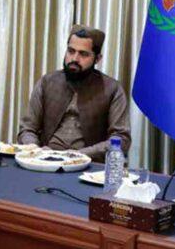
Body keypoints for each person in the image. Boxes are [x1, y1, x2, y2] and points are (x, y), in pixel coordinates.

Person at [17, 25, 131, 162]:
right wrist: (35, 150)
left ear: (97, 59)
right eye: (71, 51)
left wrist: (79, 155)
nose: (74, 59)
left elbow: (121, 139)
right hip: (45, 162)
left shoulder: (112, 89)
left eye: (83, 54)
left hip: (88, 165)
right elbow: (27, 128)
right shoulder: (47, 82)